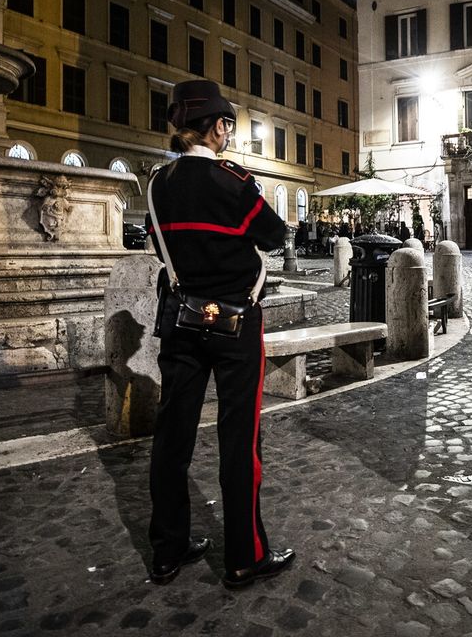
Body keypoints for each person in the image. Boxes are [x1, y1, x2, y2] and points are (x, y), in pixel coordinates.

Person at [147, 79, 295, 589]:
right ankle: (244, 558)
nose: (229, 133)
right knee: (239, 438)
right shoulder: (233, 182)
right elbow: (273, 236)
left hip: (182, 320)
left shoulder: (157, 184)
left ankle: (167, 549)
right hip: (235, 321)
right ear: (216, 127)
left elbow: (157, 246)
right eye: (227, 124)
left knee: (173, 435)